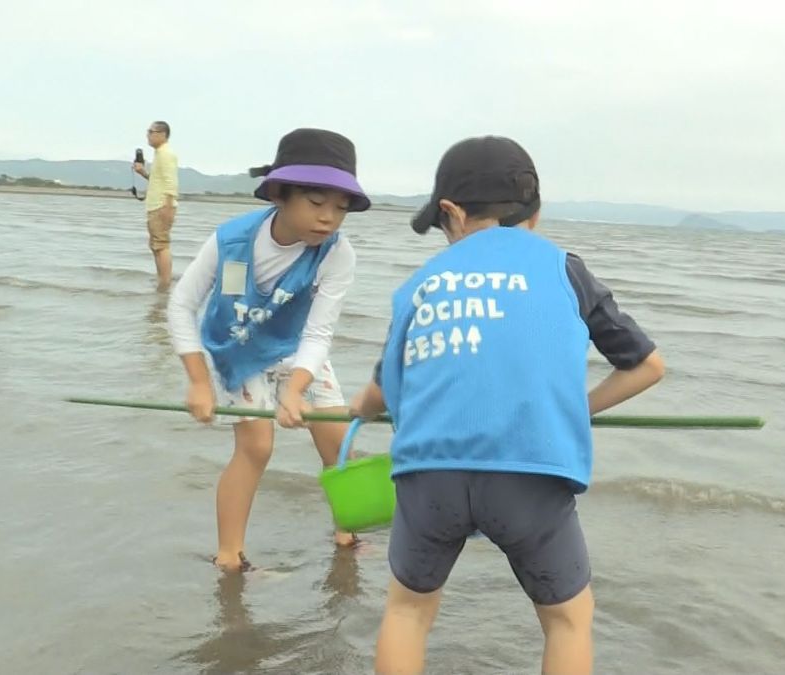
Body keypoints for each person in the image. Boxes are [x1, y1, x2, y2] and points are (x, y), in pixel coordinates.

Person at [348, 135, 666, 674]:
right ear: (536, 213)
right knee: (568, 618)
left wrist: (359, 409)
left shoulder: (420, 283)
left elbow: (380, 391)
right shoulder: (564, 267)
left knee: (407, 611)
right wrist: (575, 410)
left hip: (430, 473)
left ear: (450, 212)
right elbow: (647, 366)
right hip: (529, 471)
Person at [166, 128, 371, 573]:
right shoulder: (230, 241)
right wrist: (199, 382)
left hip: (295, 348)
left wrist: (296, 390)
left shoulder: (339, 255)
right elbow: (181, 306)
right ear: (281, 193)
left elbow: (318, 334)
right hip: (237, 350)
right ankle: (229, 555)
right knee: (256, 446)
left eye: (340, 208)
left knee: (337, 441)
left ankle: (346, 534)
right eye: (317, 204)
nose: (329, 219)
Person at [133, 120, 179, 291]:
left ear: (161, 134)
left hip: (162, 206)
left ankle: (165, 283)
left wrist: (167, 207)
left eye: (150, 132)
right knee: (155, 245)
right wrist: (142, 172)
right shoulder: (159, 154)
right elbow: (157, 180)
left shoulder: (166, 154)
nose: (148, 135)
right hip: (155, 206)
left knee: (161, 244)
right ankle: (162, 280)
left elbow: (170, 182)